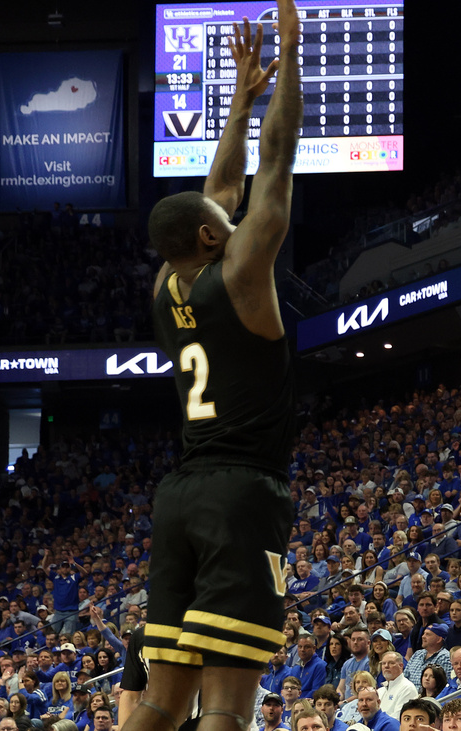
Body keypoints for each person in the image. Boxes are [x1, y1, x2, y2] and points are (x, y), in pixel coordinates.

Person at [128, 9, 303, 731]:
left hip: (179, 497)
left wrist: (236, 97)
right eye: (222, 221)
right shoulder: (242, 270)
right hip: (241, 496)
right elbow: (278, 155)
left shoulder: (167, 286)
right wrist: (290, 54)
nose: (236, 218)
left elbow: (220, 186)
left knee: (161, 704)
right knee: (227, 709)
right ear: (210, 235)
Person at [376, 652, 416, 719]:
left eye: (391, 663)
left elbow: (398, 718)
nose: (386, 666)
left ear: (401, 666)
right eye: (383, 663)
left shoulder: (407, 688)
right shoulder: (380, 691)